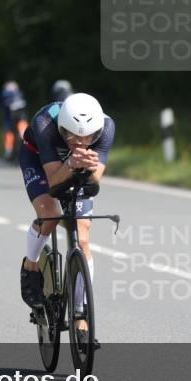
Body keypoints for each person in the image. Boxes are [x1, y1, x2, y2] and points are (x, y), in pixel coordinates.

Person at [18, 93, 115, 349]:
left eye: (89, 137)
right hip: (38, 159)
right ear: (62, 129)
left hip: (74, 165)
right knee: (49, 215)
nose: (81, 142)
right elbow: (54, 184)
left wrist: (88, 169)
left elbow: (93, 184)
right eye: (73, 136)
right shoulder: (44, 124)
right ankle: (30, 265)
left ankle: (81, 317)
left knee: (82, 235)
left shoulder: (106, 127)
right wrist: (71, 163)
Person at [1, 80, 29, 159]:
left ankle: (9, 152)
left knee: (12, 134)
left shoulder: (5, 94)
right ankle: (11, 152)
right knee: (17, 134)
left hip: (13, 120)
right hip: (17, 119)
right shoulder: (18, 93)